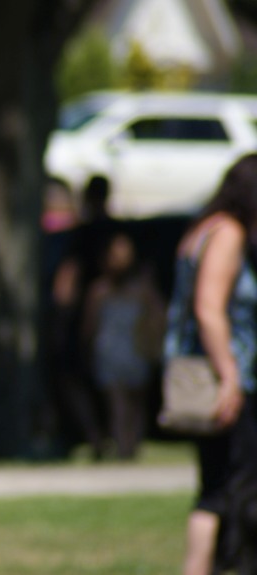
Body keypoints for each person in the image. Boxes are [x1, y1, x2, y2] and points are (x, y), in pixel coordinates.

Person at [163, 153, 257, 575]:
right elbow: (209, 309)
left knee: (214, 488)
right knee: (230, 487)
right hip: (224, 377)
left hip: (198, 374)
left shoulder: (200, 231)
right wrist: (231, 376)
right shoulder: (228, 233)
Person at [50, 176, 120, 459]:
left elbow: (67, 279)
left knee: (77, 374)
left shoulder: (84, 234)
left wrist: (60, 314)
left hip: (90, 311)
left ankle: (95, 435)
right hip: (112, 311)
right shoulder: (113, 230)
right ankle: (108, 436)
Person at [80, 233, 164, 460]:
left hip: (136, 350)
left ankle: (132, 444)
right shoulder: (99, 291)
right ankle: (124, 447)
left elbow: (158, 316)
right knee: (117, 403)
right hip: (109, 351)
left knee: (136, 403)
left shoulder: (143, 290)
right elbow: (90, 325)